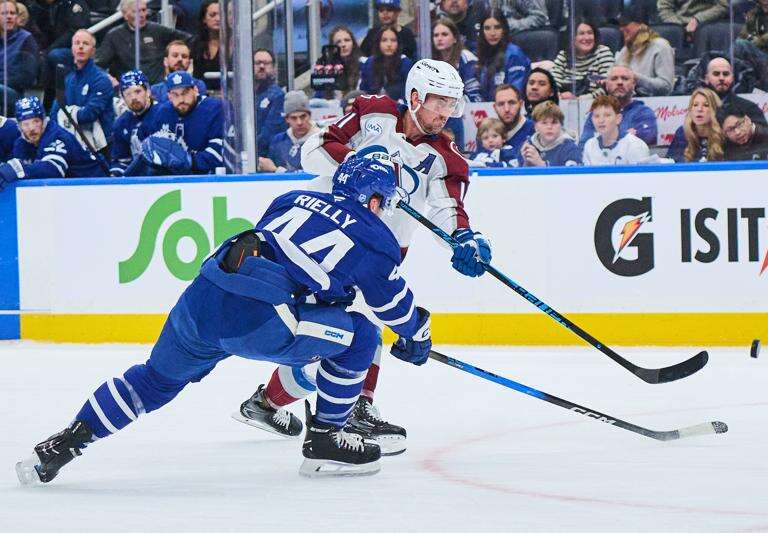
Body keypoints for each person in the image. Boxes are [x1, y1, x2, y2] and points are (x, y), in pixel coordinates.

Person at [15, 155, 435, 483]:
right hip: (262, 318)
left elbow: (286, 256)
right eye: (385, 205)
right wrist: (417, 335)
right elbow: (395, 309)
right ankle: (326, 440)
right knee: (361, 337)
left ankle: (66, 442)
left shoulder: (290, 199)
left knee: (153, 380)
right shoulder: (375, 236)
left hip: (204, 297)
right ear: (375, 200)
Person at [237, 59, 493, 454]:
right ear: (415, 97)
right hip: (329, 236)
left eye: (452, 104)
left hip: (376, 254)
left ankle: (267, 403)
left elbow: (448, 209)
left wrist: (464, 238)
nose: (446, 112)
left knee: (345, 335)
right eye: (439, 101)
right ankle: (353, 407)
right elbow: (313, 152)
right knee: (355, 332)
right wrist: (364, 169)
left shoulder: (446, 158)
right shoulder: (375, 114)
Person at [0, 96, 106, 187]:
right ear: (19, 126)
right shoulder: (21, 143)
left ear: (44, 120)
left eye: (36, 121)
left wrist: (20, 169)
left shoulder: (58, 136)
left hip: (96, 186)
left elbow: (53, 170)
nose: (31, 128)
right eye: (26, 124)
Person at [134, 70, 223, 175]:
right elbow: (145, 146)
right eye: (175, 94)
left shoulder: (214, 109)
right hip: (171, 179)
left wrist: (190, 161)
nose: (181, 99)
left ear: (195, 90)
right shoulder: (162, 112)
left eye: (185, 93)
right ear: (169, 96)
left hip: (207, 178)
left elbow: (221, 151)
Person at [95, 0, 191, 87]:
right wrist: (108, 78)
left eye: (144, 10)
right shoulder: (114, 36)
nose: (141, 15)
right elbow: (98, 63)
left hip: (156, 88)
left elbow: (190, 40)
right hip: (129, 89)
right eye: (136, 11)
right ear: (125, 15)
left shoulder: (158, 30)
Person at [52, 29, 115, 151]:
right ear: (72, 49)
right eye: (77, 43)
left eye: (85, 43)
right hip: (72, 143)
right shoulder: (69, 79)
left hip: (100, 147)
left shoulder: (101, 79)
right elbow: (56, 111)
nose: (80, 47)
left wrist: (66, 114)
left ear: (93, 50)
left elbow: (89, 114)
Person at [579, 64, 657, 146]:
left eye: (625, 78)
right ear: (606, 84)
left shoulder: (644, 113)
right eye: (614, 79)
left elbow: (645, 139)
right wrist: (626, 135)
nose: (620, 82)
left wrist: (602, 139)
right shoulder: (596, 114)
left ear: (634, 84)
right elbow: (583, 146)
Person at [36, 0, 91, 109]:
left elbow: (75, 32)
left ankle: (55, 102)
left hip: (75, 50)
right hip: (54, 47)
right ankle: (47, 103)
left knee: (55, 55)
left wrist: (49, 49)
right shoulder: (49, 6)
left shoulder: (75, 4)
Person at [551, 19, 615, 99]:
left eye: (590, 33)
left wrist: (580, 99)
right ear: (572, 38)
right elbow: (553, 84)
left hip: (596, 102)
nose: (587, 38)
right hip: (565, 102)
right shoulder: (563, 55)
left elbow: (609, 86)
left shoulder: (603, 52)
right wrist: (560, 96)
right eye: (581, 34)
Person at [474, 10, 530, 101]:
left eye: (497, 27)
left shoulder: (514, 54)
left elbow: (515, 93)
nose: (492, 33)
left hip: (508, 105)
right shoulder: (483, 54)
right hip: (488, 106)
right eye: (487, 28)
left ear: (504, 29)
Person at [109, 70, 156, 176]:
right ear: (122, 97)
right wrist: (116, 176)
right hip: (137, 181)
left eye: (137, 92)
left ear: (148, 92)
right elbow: (121, 161)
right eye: (128, 94)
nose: (133, 97)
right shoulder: (121, 124)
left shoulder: (162, 114)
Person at [259, 91, 319, 173]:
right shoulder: (278, 140)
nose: (299, 122)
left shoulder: (321, 140)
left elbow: (312, 174)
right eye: (294, 118)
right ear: (287, 119)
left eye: (303, 116)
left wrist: (277, 170)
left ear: (309, 116)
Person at [615, 13, 675, 96]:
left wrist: (636, 78)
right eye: (620, 26)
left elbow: (666, 86)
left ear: (640, 25)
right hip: (625, 100)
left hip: (652, 101)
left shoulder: (660, 46)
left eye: (625, 24)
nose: (621, 29)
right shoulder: (625, 50)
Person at [582, 95, 651, 166]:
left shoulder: (635, 145)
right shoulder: (589, 146)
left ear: (618, 119)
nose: (601, 120)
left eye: (607, 115)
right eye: (596, 116)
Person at [702, 56, 768, 127]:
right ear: (706, 79)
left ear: (732, 78)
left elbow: (765, 132)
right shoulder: (698, 109)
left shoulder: (748, 108)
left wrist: (750, 129)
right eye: (716, 74)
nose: (721, 78)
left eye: (726, 74)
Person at [0, 0, 40, 114]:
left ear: (17, 17)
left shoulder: (26, 39)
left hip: (17, 95)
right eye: (4, 13)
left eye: (12, 13)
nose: (9, 17)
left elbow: (27, 77)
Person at [666, 87, 724, 163]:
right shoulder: (682, 132)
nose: (699, 109)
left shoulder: (724, 133)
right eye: (695, 105)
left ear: (715, 110)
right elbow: (671, 162)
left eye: (706, 105)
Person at [358, 26, 413, 102]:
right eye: (384, 40)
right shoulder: (369, 63)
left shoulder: (405, 63)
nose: (389, 44)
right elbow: (363, 91)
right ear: (378, 43)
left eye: (393, 40)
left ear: (398, 43)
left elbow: (407, 94)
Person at [520, 101, 581, 167]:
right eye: (544, 123)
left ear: (561, 125)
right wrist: (526, 163)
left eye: (554, 123)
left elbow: (573, 173)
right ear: (535, 126)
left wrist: (541, 164)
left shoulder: (570, 149)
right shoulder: (528, 146)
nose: (549, 127)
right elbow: (518, 171)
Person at [432, 18, 481, 101]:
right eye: (436, 35)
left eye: (444, 34)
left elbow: (475, 96)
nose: (439, 38)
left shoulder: (467, 59)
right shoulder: (434, 62)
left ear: (455, 38)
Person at [254, 48, 285, 159]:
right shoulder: (245, 96)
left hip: (266, 158)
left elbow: (268, 135)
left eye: (266, 63)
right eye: (258, 63)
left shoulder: (278, 96)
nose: (262, 66)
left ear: (273, 68)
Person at [492, 83, 533, 159]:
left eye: (512, 103)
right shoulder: (487, 132)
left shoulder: (535, 130)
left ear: (521, 104)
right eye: (501, 104)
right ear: (495, 107)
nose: (507, 109)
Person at [657, 0, 728, 41]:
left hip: (708, 22)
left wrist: (698, 19)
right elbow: (665, 8)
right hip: (677, 23)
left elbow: (723, 6)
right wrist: (680, 29)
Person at [190, 0, 221, 91]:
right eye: (212, 15)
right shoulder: (195, 44)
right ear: (204, 18)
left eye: (221, 15)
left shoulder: (235, 44)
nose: (218, 19)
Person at [329, 25, 362, 95]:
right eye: (338, 42)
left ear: (353, 43)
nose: (343, 45)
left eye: (347, 40)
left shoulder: (366, 65)